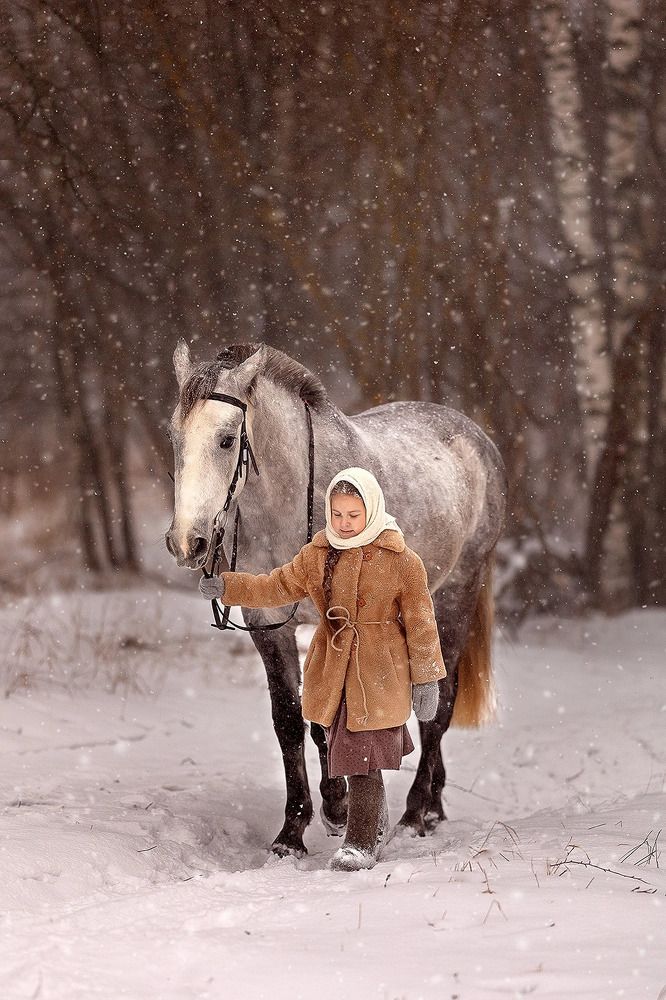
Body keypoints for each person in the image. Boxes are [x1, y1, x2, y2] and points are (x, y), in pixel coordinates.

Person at [199, 467, 446, 871]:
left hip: (379, 671)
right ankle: (376, 824)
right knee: (347, 749)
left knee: (361, 754)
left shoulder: (402, 561)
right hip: (334, 669)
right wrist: (230, 586)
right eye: (337, 514)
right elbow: (276, 586)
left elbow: (421, 623)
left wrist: (427, 678)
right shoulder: (318, 556)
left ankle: (362, 842)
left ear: (373, 510)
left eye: (354, 514)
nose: (345, 524)